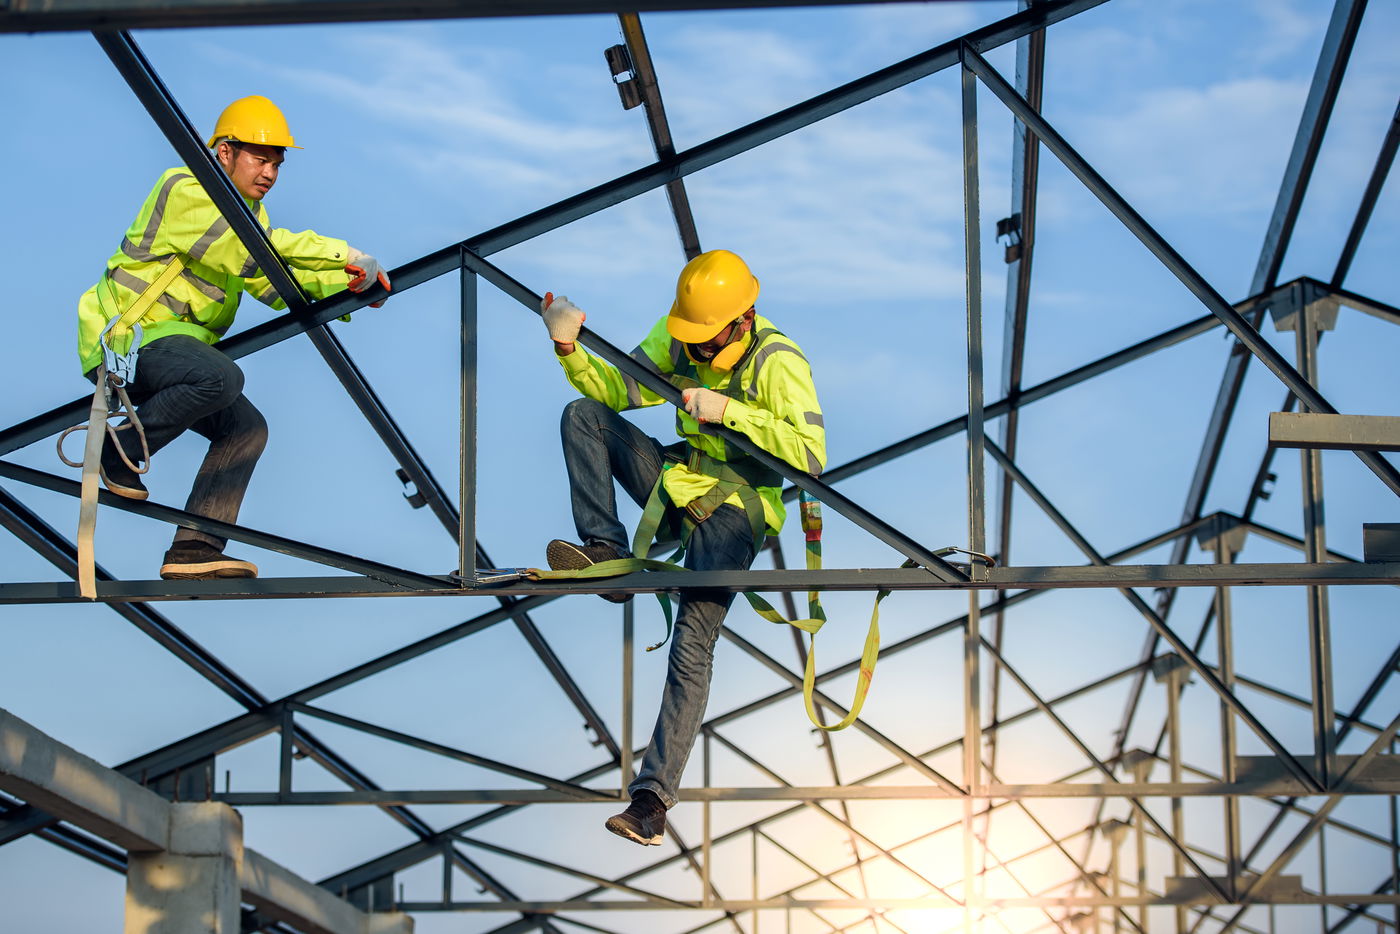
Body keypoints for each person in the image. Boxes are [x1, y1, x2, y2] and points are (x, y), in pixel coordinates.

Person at [541, 249, 826, 845]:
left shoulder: (777, 360)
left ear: (743, 320)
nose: (694, 353)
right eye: (689, 341)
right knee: (583, 415)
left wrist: (735, 413)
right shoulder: (681, 340)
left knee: (693, 641)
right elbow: (617, 389)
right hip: (675, 482)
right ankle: (606, 555)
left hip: (735, 511)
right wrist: (570, 347)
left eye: (706, 342)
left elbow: (810, 456)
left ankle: (651, 801)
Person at [75, 95, 391, 581]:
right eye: (260, 159)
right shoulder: (186, 187)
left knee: (246, 428)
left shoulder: (250, 219)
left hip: (176, 353)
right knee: (223, 377)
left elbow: (270, 283)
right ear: (224, 152)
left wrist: (346, 289)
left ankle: (195, 545)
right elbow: (254, 253)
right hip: (131, 342)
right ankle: (115, 451)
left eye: (276, 164)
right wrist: (341, 253)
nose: (270, 173)